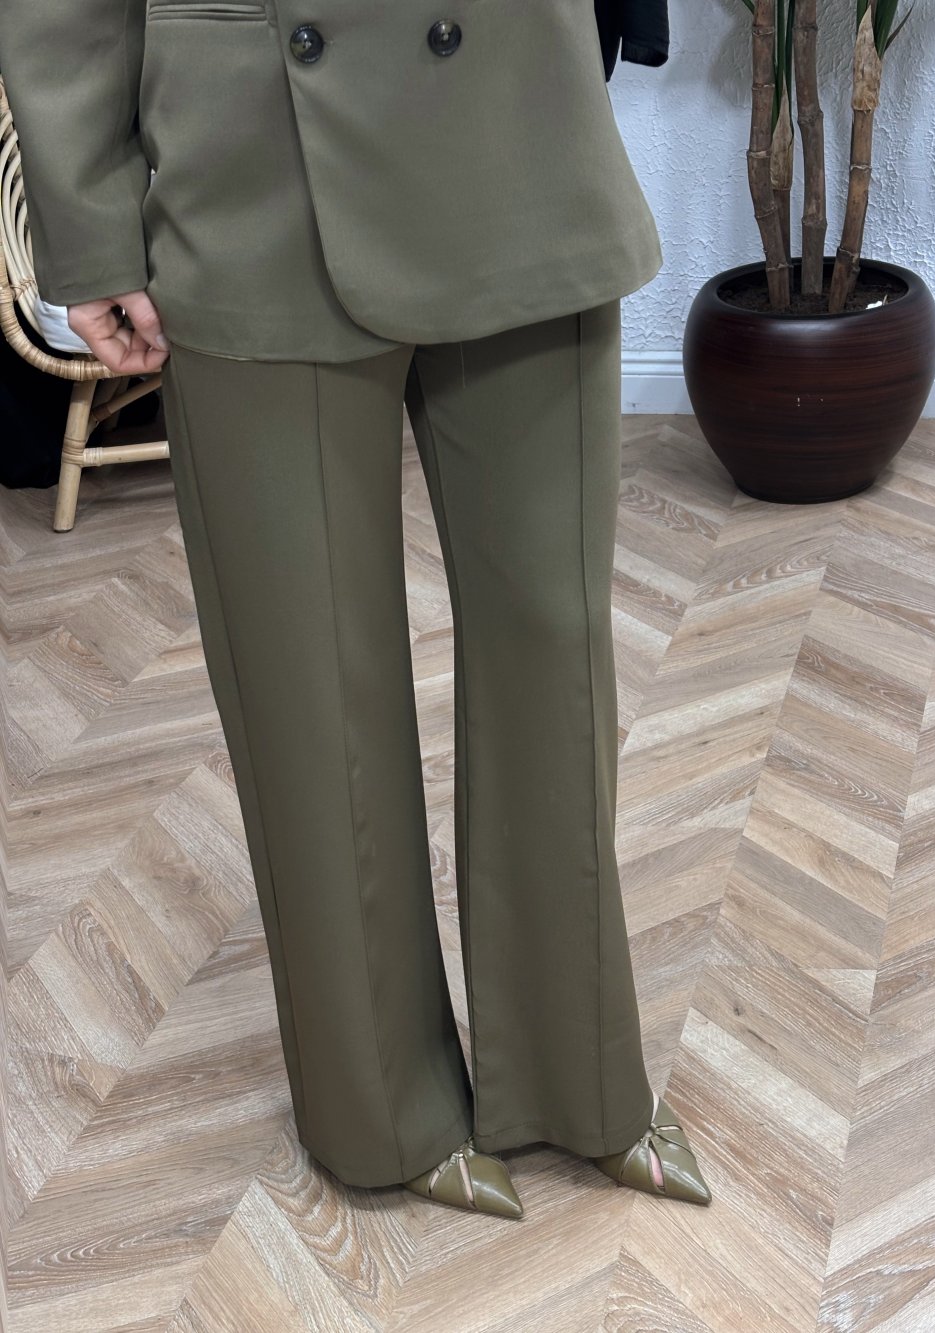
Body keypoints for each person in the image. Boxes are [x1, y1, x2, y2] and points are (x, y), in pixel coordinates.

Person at [0, 0, 712, 1218]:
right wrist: (90, 223)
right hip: (252, 169)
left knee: (553, 647)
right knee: (309, 677)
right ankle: (381, 1104)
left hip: (516, 136)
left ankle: (580, 1079)